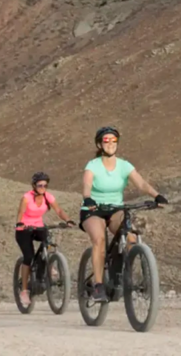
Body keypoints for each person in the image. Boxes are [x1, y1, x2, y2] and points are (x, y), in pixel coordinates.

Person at [80, 125, 167, 303]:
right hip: (93, 209)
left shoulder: (124, 165)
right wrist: (87, 198)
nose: (111, 143)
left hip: (116, 208)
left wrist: (156, 195)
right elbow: (87, 185)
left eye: (114, 140)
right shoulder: (93, 165)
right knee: (99, 240)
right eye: (106, 140)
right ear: (99, 144)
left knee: (130, 237)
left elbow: (141, 184)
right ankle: (98, 286)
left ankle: (123, 275)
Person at [14, 171, 75, 307]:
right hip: (24, 229)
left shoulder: (48, 197)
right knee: (28, 257)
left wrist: (68, 220)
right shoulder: (26, 198)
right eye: (40, 185)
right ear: (34, 185)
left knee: (48, 241)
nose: (43, 188)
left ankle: (48, 264)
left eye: (45, 185)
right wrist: (20, 223)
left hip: (39, 227)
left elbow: (59, 210)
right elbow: (21, 212)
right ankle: (24, 291)